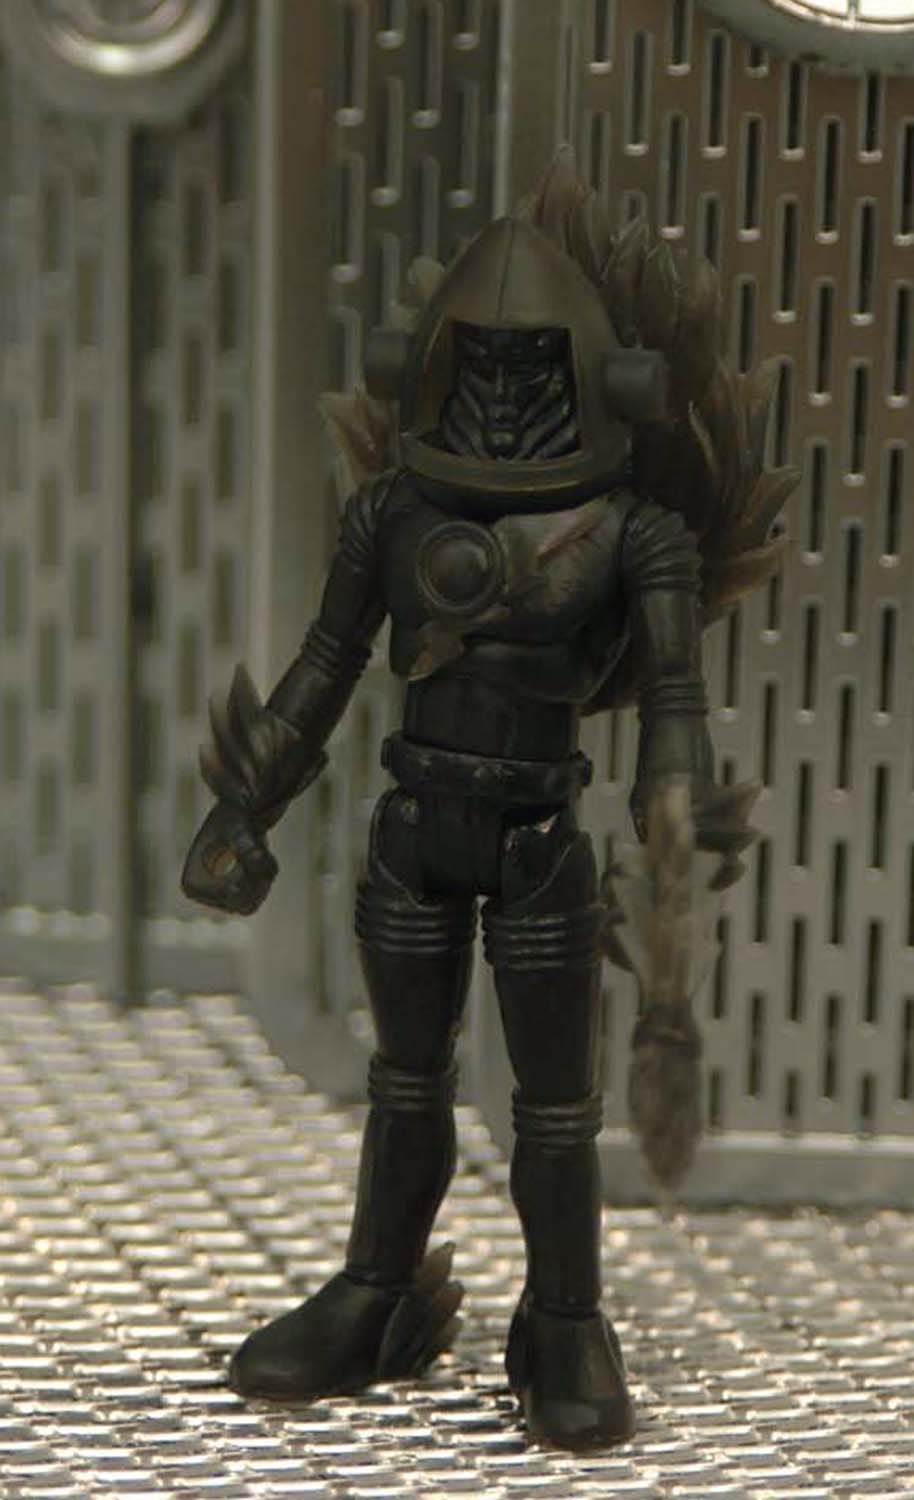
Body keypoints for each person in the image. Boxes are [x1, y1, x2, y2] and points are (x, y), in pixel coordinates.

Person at [183, 161, 792, 1449]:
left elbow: (674, 710)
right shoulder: (390, 514)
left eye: (532, 370)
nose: (507, 397)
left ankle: (564, 1317)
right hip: (414, 833)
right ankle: (381, 1290)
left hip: (537, 846)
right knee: (403, 1080)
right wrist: (247, 806)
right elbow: (324, 665)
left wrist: (668, 886)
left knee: (556, 1110)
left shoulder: (636, 537)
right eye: (488, 367)